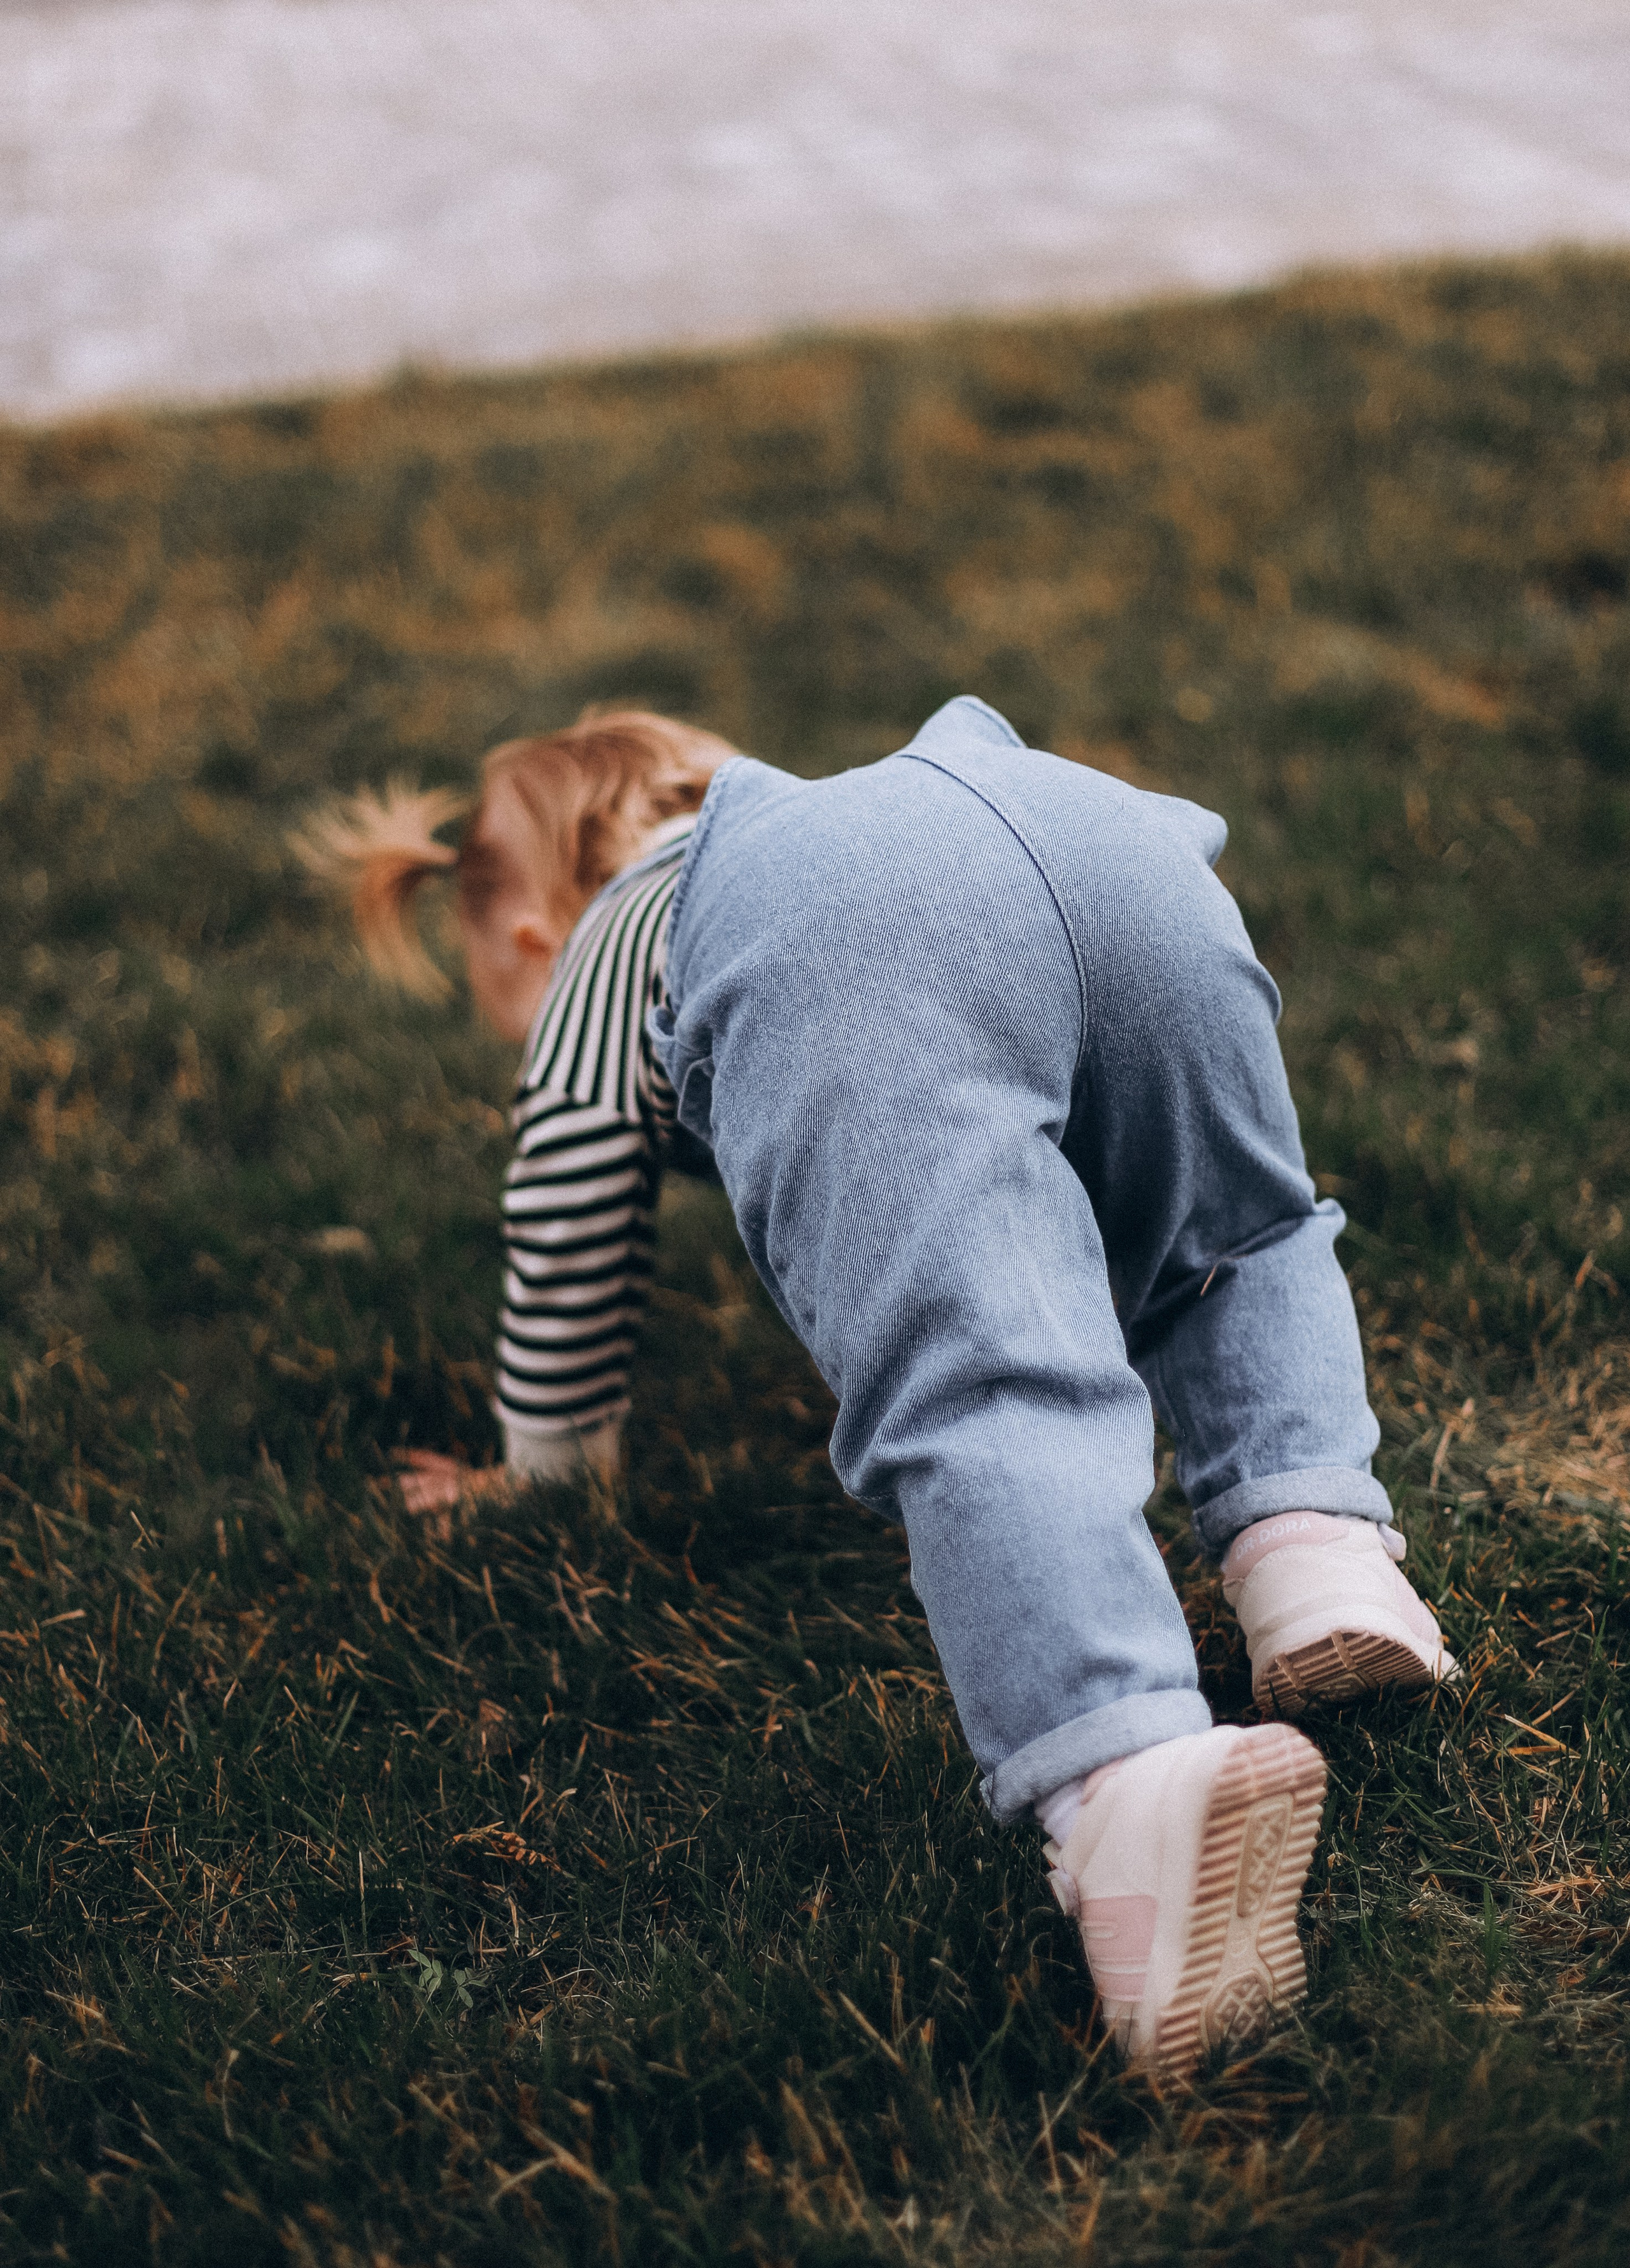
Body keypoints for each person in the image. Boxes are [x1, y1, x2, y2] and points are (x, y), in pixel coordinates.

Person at [298, 694, 1455, 2083]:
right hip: (1105, 833)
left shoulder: (611, 945)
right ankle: (1311, 1554)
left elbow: (565, 1237)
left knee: (975, 1363)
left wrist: (542, 1461)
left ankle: (1126, 1780)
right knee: (1231, 1233)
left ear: (531, 938)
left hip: (857, 921)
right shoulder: (806, 799)